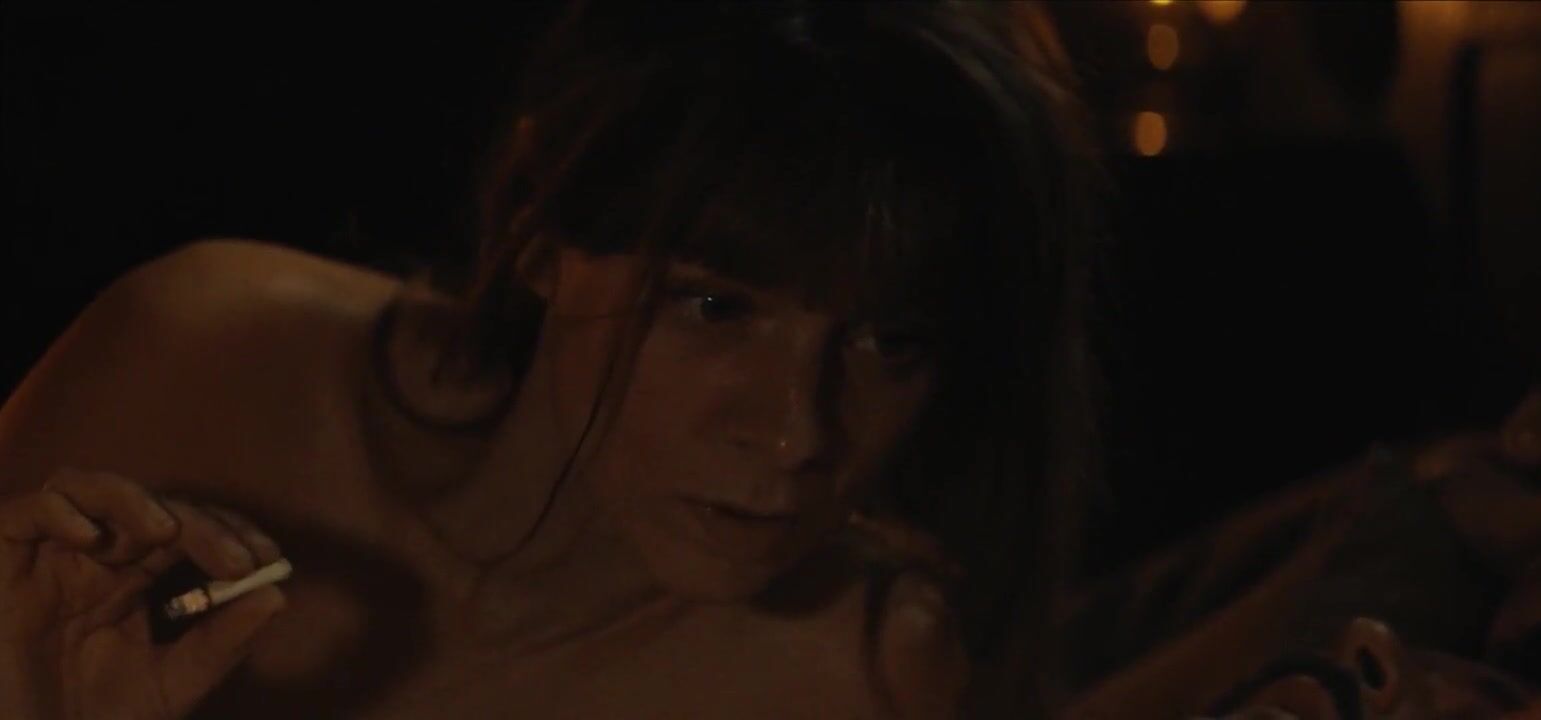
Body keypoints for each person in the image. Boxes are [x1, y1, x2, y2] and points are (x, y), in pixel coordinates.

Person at [0, 2, 1102, 718]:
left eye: (889, 343)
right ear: (538, 224)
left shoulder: (860, 673)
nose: (794, 433)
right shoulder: (207, 364)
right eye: (715, 306)